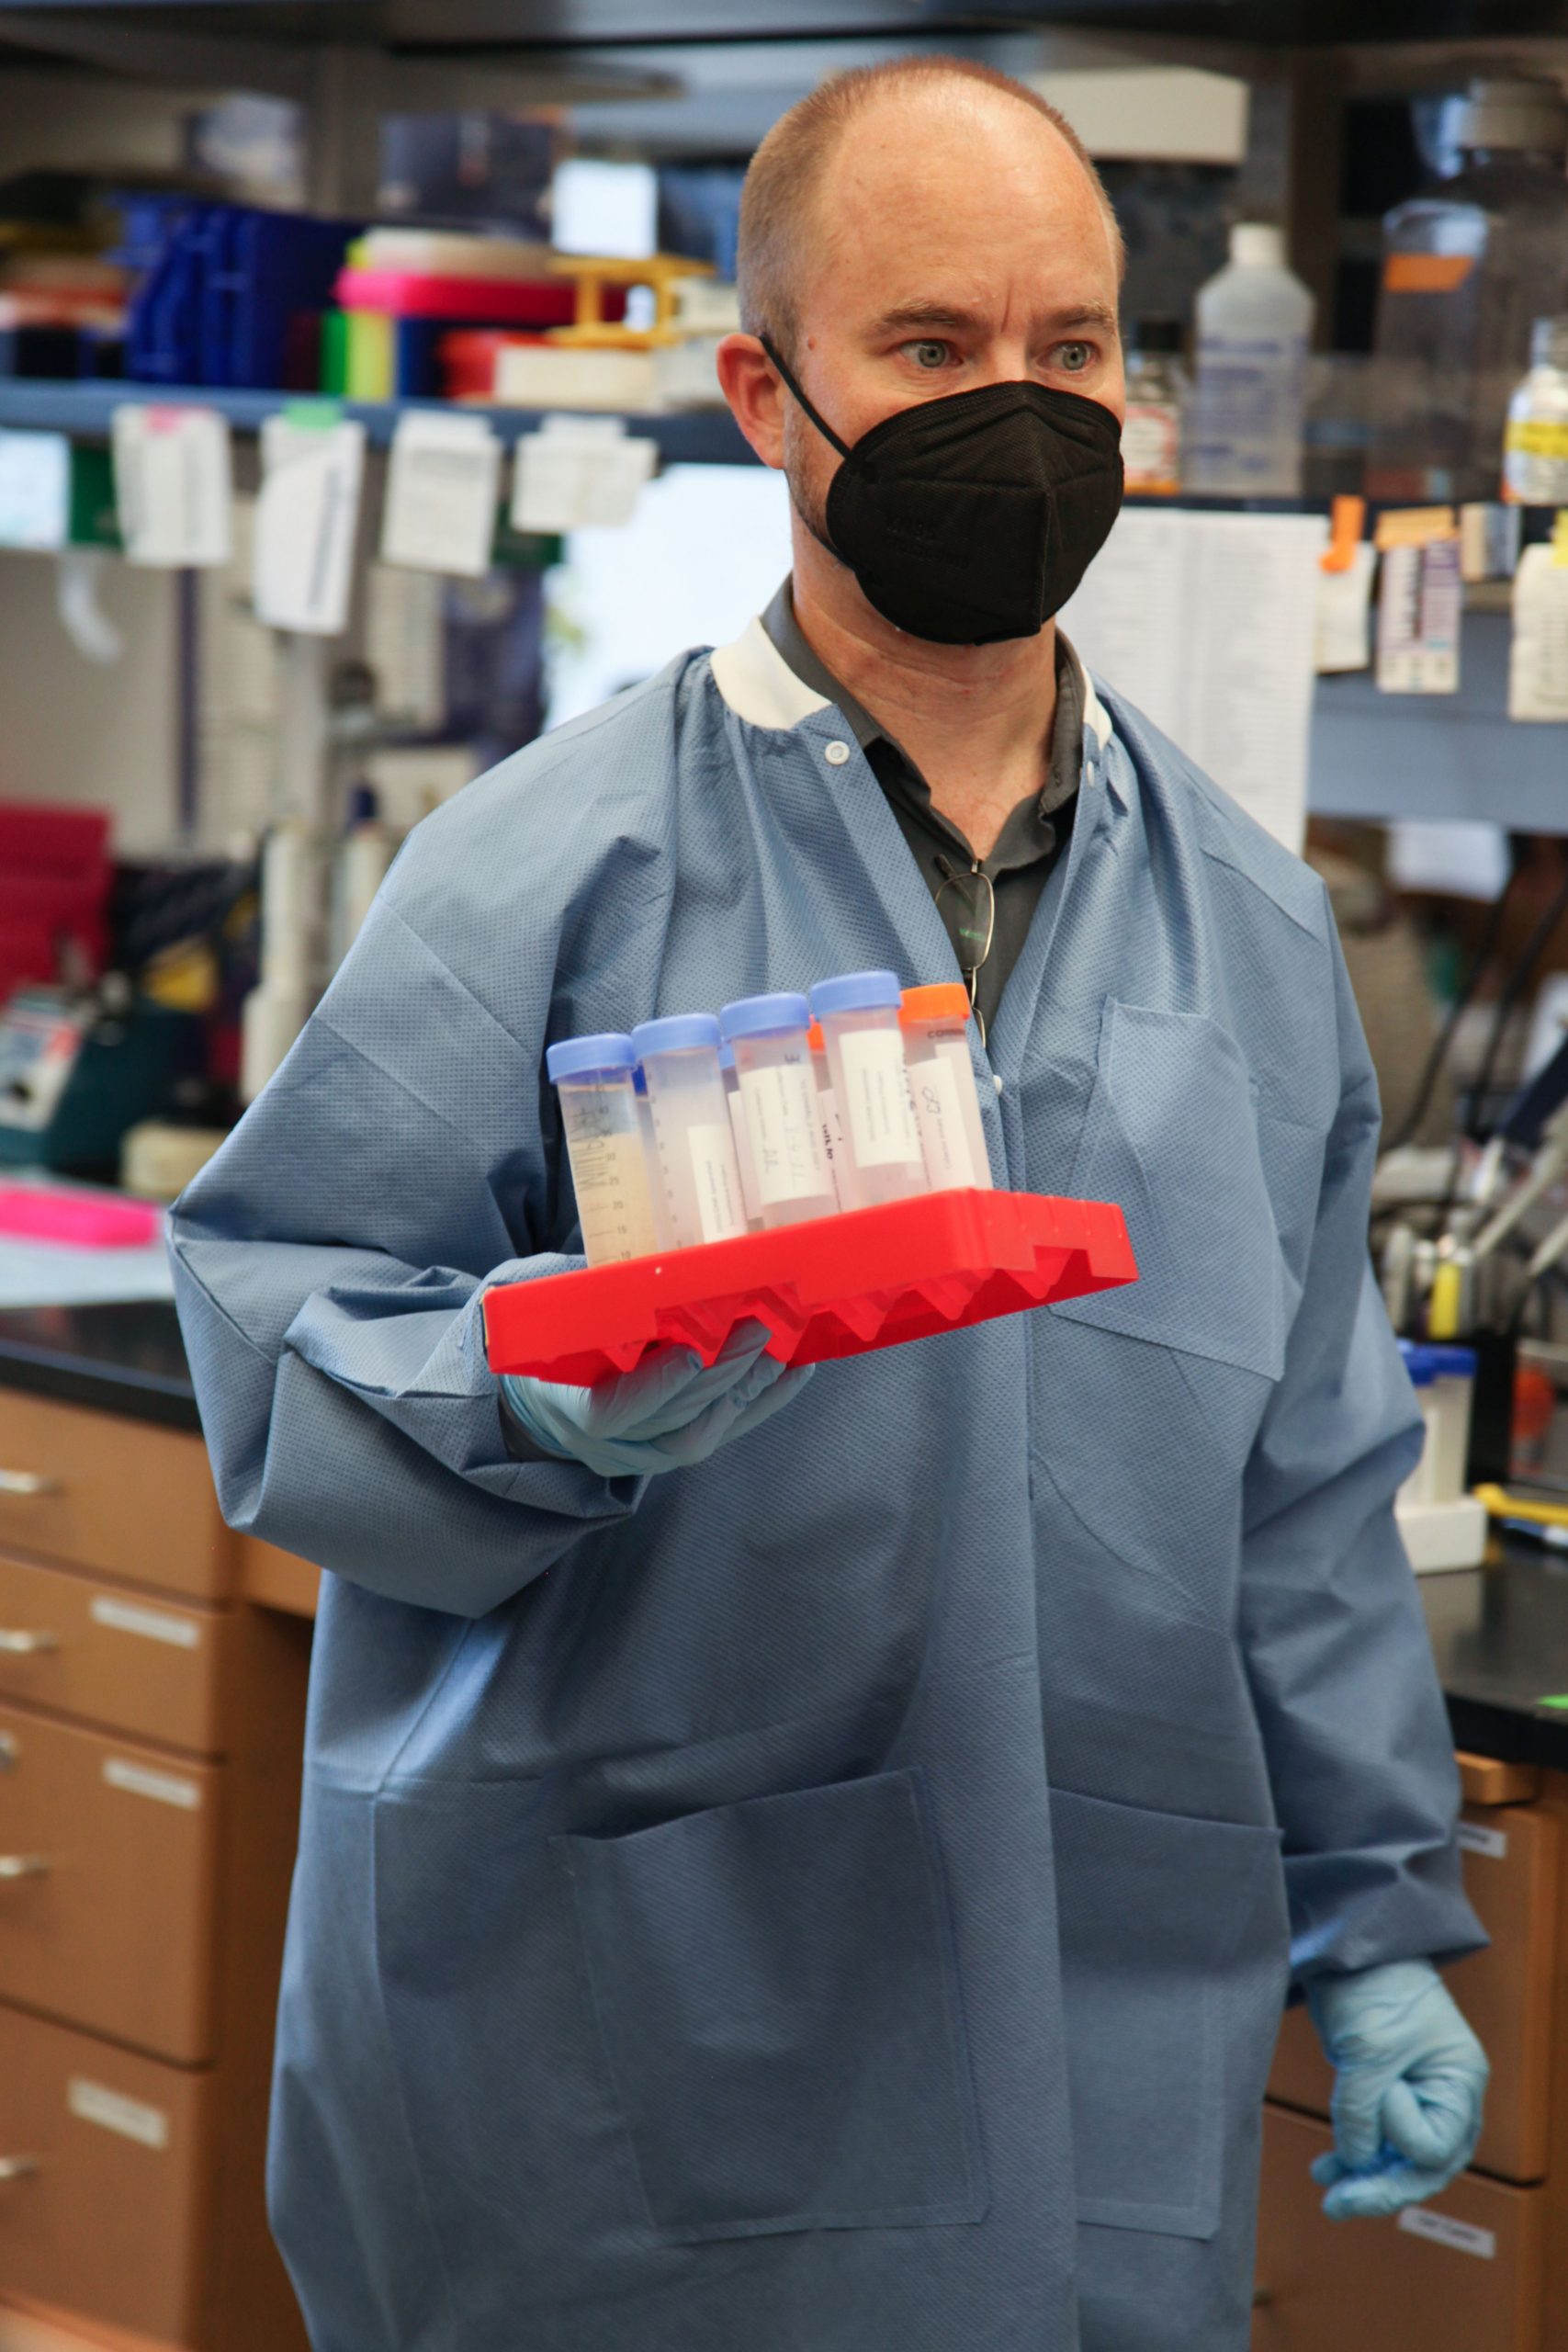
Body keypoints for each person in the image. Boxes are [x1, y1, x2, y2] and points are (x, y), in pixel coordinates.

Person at [170, 55, 1487, 2352]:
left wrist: (1375, 1915)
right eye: (931, 346)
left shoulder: (1253, 932)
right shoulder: (548, 862)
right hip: (624, 2000)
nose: (1019, 409)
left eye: (1069, 347)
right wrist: (521, 1389)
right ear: (763, 396)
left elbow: (1301, 1493)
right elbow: (277, 1316)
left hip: (1090, 2009)